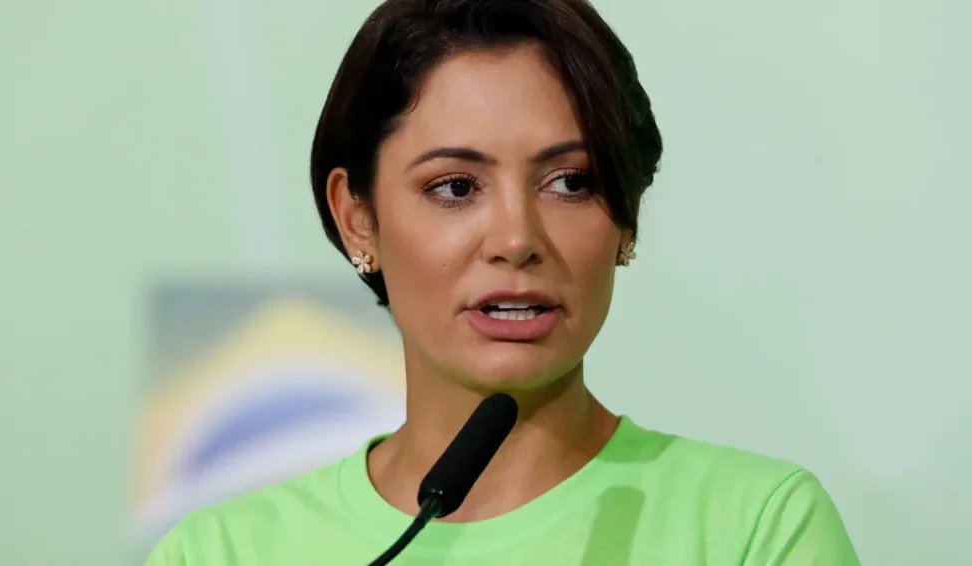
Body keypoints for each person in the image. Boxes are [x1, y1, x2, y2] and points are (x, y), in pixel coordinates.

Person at [146, 0, 861, 564]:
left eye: (570, 182)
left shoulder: (757, 529)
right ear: (357, 218)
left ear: (627, 222)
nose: (517, 239)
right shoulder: (220, 554)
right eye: (456, 187)